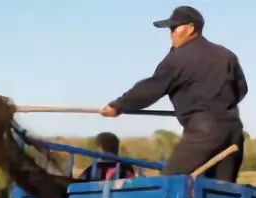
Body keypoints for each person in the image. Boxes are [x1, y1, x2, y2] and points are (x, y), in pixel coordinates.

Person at [100, 6, 248, 183]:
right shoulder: (226, 55)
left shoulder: (178, 59)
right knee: (222, 192)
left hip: (204, 133)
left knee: (169, 184)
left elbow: (151, 88)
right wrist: (215, 105)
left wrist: (117, 106)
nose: (171, 34)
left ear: (191, 28)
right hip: (234, 132)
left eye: (174, 28)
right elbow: (241, 90)